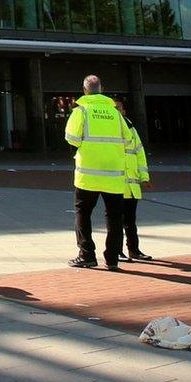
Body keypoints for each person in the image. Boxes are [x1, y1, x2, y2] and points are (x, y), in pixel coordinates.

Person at [62, 76, 127, 271]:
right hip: (114, 174)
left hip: (88, 174)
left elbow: (71, 138)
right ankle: (113, 258)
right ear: (102, 89)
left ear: (84, 90)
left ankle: (87, 254)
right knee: (114, 216)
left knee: (83, 212)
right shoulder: (115, 112)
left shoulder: (81, 110)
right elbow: (128, 137)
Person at [116, 97, 153, 263]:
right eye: (114, 109)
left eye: (119, 108)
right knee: (115, 220)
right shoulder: (107, 129)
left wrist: (144, 177)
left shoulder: (131, 128)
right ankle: (117, 251)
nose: (117, 111)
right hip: (115, 184)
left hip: (132, 185)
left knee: (130, 220)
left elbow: (140, 154)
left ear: (124, 111)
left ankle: (134, 250)